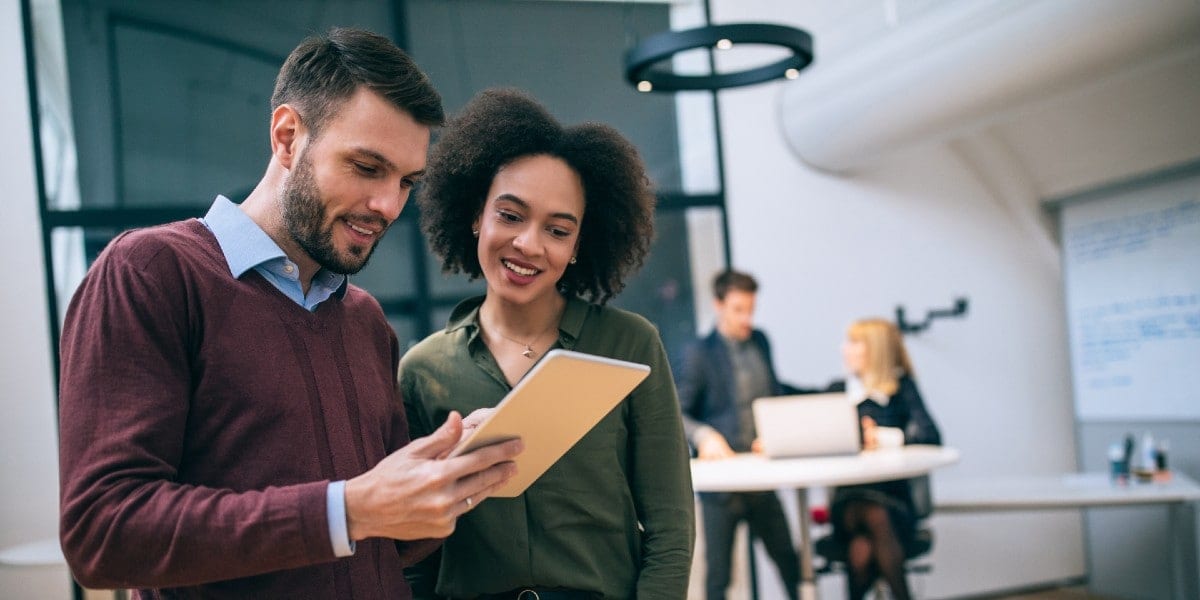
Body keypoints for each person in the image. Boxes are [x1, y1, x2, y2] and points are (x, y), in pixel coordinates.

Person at [57, 28, 523, 599]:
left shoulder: (365, 321)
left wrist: (446, 479)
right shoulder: (151, 273)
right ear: (286, 137)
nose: (388, 206)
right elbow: (102, 533)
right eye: (366, 167)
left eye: (406, 182)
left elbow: (381, 537)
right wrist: (346, 510)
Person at [400, 88, 695, 599]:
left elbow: (671, 530)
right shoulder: (424, 370)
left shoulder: (629, 345)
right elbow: (414, 555)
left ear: (579, 245)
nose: (529, 245)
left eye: (558, 230)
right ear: (476, 215)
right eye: (510, 216)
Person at [676, 270, 802, 600]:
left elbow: (775, 392)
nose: (747, 318)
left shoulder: (761, 341)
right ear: (718, 305)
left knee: (789, 561)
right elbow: (677, 410)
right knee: (719, 577)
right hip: (723, 485)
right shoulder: (698, 353)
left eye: (751, 309)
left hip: (761, 477)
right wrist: (704, 435)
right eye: (738, 309)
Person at [827, 318, 941, 600]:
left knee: (863, 549)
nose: (845, 349)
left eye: (854, 343)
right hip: (849, 503)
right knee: (870, 516)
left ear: (874, 350)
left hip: (894, 501)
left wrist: (884, 438)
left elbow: (931, 434)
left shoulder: (901, 390)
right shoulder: (838, 391)